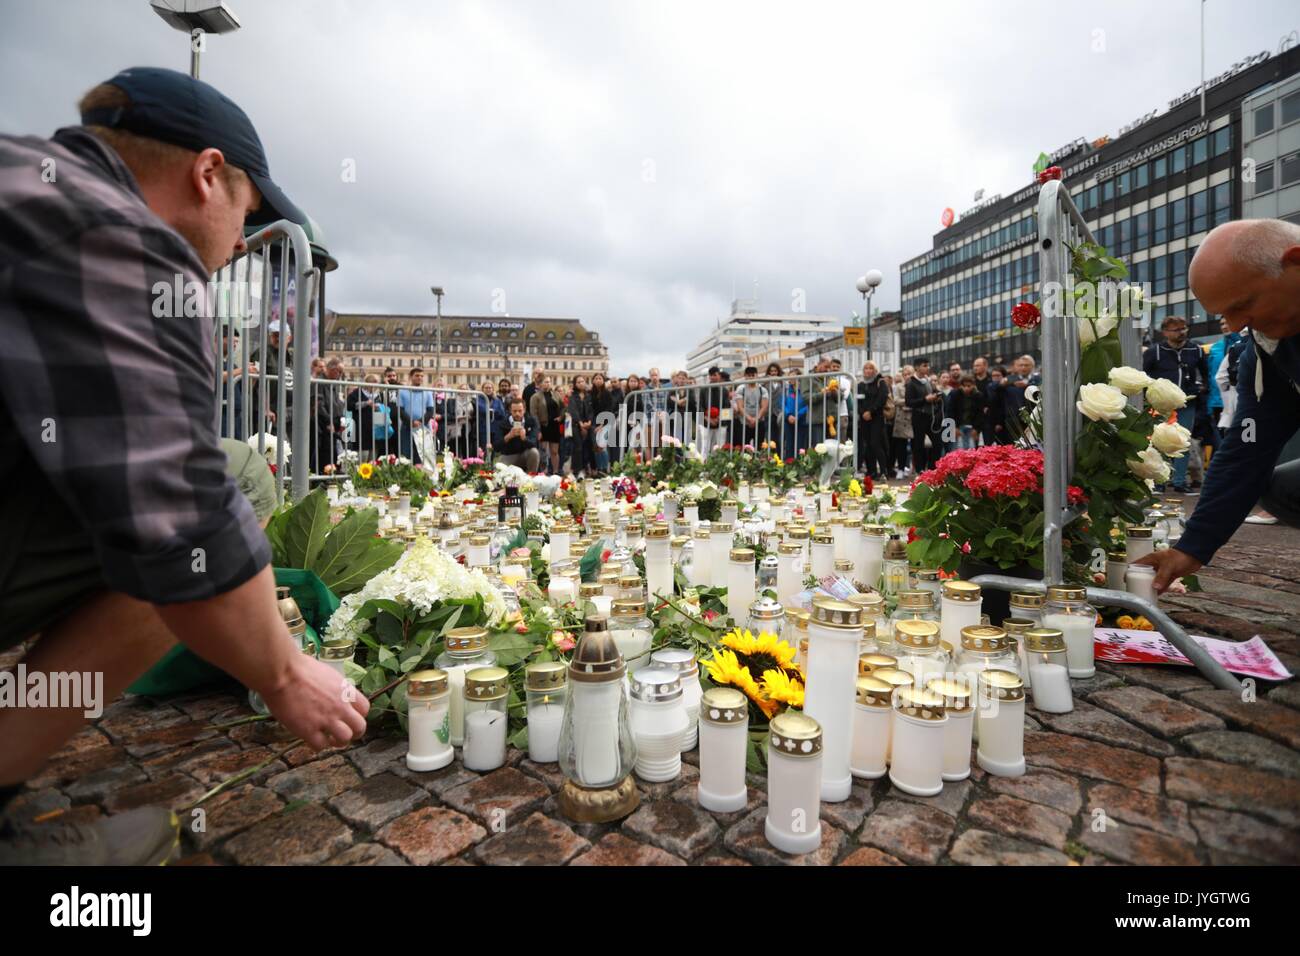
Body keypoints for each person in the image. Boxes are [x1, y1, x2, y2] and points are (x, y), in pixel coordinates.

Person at [0, 67, 366, 864]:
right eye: (247, 213)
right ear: (207, 174)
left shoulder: (23, 177)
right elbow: (181, 511)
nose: (241, 243)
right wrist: (283, 675)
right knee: (228, 481)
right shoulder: (123, 242)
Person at [1141, 219, 1300, 591]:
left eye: (1243, 305)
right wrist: (1192, 547)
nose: (1236, 324)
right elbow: (1247, 451)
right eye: (1223, 315)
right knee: (1279, 488)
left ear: (1295, 262)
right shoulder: (1267, 348)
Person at [1142, 314, 1210, 493]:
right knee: (1159, 441)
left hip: (1187, 403)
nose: (1182, 332)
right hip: (1161, 404)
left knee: (1182, 442)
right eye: (1176, 330)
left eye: (1184, 328)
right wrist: (1150, 396)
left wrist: (1202, 388)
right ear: (1165, 332)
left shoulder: (1195, 350)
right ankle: (1160, 481)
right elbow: (1145, 376)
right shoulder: (1154, 352)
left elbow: (1205, 373)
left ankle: (1180, 482)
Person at [906, 358, 941, 473]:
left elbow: (934, 393)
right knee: (918, 445)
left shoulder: (928, 381)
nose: (927, 368)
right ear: (917, 367)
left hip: (931, 417)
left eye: (928, 365)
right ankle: (920, 469)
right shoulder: (911, 383)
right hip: (919, 416)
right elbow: (909, 402)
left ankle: (932, 468)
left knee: (937, 443)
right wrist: (925, 399)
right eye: (925, 365)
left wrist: (936, 396)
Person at [856, 361, 890, 479]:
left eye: (871, 368)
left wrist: (871, 411)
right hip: (864, 418)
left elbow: (882, 398)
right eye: (866, 368)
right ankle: (871, 471)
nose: (868, 370)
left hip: (877, 417)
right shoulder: (860, 385)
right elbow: (858, 402)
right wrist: (863, 413)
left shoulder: (881, 382)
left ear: (875, 371)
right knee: (867, 445)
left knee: (876, 444)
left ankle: (883, 471)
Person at [491, 397, 542, 472]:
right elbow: (496, 446)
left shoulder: (532, 421)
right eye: (514, 411)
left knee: (534, 452)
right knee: (498, 467)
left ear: (524, 410)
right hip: (508, 455)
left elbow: (534, 443)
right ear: (510, 411)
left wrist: (524, 438)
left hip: (525, 455)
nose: (517, 414)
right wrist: (508, 437)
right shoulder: (502, 423)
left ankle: (531, 478)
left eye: (520, 411)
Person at [397, 367, 436, 464]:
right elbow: (400, 410)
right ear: (411, 377)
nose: (420, 378)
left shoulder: (428, 392)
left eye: (422, 376)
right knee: (406, 455)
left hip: (423, 427)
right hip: (407, 427)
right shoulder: (402, 391)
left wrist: (420, 421)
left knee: (423, 455)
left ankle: (423, 476)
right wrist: (411, 422)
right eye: (417, 375)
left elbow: (430, 410)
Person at [732, 366, 770, 448]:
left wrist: (756, 419)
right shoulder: (740, 389)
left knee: (759, 447)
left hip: (759, 422)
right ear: (745, 376)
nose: (751, 377)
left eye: (753, 375)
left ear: (757, 375)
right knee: (745, 447)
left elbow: (764, 407)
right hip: (744, 422)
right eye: (749, 375)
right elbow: (740, 406)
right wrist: (749, 419)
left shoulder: (763, 389)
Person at [530, 375, 560, 474]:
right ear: (540, 384)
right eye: (546, 382)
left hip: (554, 425)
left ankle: (555, 471)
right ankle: (543, 472)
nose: (548, 383)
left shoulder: (555, 394)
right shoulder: (535, 396)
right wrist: (538, 430)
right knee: (542, 451)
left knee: (554, 451)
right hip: (542, 426)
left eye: (549, 381)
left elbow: (564, 407)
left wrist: (561, 417)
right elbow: (533, 414)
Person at [945, 374, 984, 450]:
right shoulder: (954, 394)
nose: (966, 388)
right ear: (961, 386)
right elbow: (950, 411)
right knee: (956, 450)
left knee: (971, 451)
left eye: (969, 386)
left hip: (972, 426)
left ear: (973, 385)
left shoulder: (978, 396)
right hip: (958, 425)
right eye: (964, 386)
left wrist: (976, 429)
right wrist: (954, 427)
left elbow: (980, 414)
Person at [568, 374, 596, 477]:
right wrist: (580, 424)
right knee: (578, 447)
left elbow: (591, 410)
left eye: (582, 381)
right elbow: (573, 410)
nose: (581, 383)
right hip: (576, 425)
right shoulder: (573, 396)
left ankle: (586, 468)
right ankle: (577, 470)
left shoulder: (589, 396)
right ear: (575, 384)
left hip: (588, 424)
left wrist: (589, 421)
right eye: (578, 382)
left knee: (588, 446)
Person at [891, 365, 914, 478]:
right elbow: (895, 400)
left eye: (909, 373)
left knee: (916, 445)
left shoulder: (916, 386)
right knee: (901, 446)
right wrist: (911, 402)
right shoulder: (898, 387)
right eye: (905, 374)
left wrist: (909, 404)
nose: (907, 376)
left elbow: (920, 400)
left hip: (914, 418)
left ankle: (915, 469)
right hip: (901, 419)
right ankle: (900, 468)